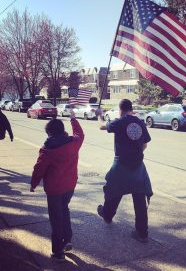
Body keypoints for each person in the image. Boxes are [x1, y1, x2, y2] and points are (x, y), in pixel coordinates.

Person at [30, 110, 84, 262]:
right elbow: (80, 133)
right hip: (70, 186)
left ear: (49, 133)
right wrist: (73, 119)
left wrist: (33, 184)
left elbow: (39, 169)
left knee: (56, 217)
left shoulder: (47, 150)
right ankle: (67, 240)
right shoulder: (74, 142)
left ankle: (58, 251)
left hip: (54, 190)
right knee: (64, 210)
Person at [96, 99, 153, 243]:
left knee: (113, 190)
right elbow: (145, 144)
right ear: (131, 109)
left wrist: (99, 115)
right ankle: (142, 233)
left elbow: (102, 126)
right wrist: (135, 153)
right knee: (139, 196)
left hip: (121, 163)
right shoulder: (140, 122)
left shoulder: (119, 121)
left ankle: (107, 214)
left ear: (121, 110)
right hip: (138, 165)